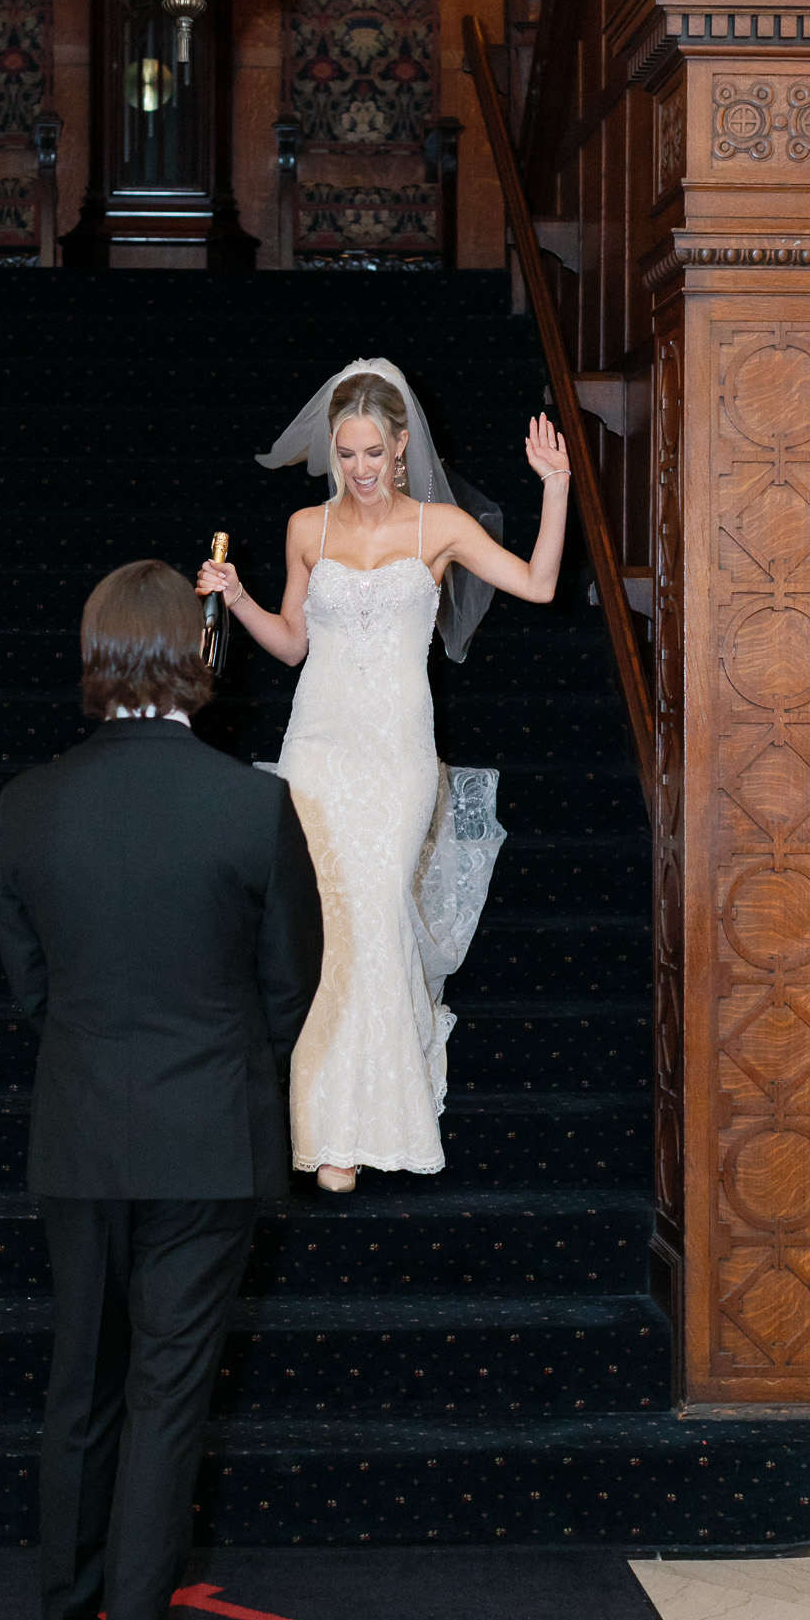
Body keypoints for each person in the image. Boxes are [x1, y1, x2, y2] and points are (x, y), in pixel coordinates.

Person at [0, 559, 323, 1620]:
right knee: (165, 1394)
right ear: (198, 652)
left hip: (79, 1126)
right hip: (206, 1136)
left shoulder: (29, 802)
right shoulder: (249, 804)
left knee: (79, 1377)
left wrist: (99, 1059)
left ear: (96, 655)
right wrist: (222, 1065)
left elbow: (28, 983)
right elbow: (291, 982)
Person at [197, 359, 570, 1194]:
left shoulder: (440, 527)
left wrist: (556, 487)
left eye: (373, 452)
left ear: (401, 447)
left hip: (398, 753)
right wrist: (239, 596)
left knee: (373, 907)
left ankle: (375, 1117)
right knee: (322, 921)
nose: (360, 469)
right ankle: (325, 1127)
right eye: (346, 454)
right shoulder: (306, 527)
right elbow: (293, 644)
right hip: (318, 748)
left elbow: (540, 585)